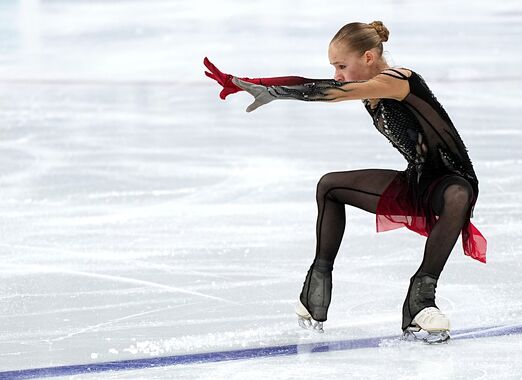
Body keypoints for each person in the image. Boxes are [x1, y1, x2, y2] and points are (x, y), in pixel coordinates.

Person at [204, 21, 487, 344]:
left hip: (451, 182)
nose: (337, 74)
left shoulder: (400, 81)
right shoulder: (371, 89)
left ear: (368, 57)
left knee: (457, 194)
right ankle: (315, 289)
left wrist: (274, 92)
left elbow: (334, 92)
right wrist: (251, 84)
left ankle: (421, 301)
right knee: (329, 187)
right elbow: (312, 83)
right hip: (418, 180)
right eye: (334, 67)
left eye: (341, 65)